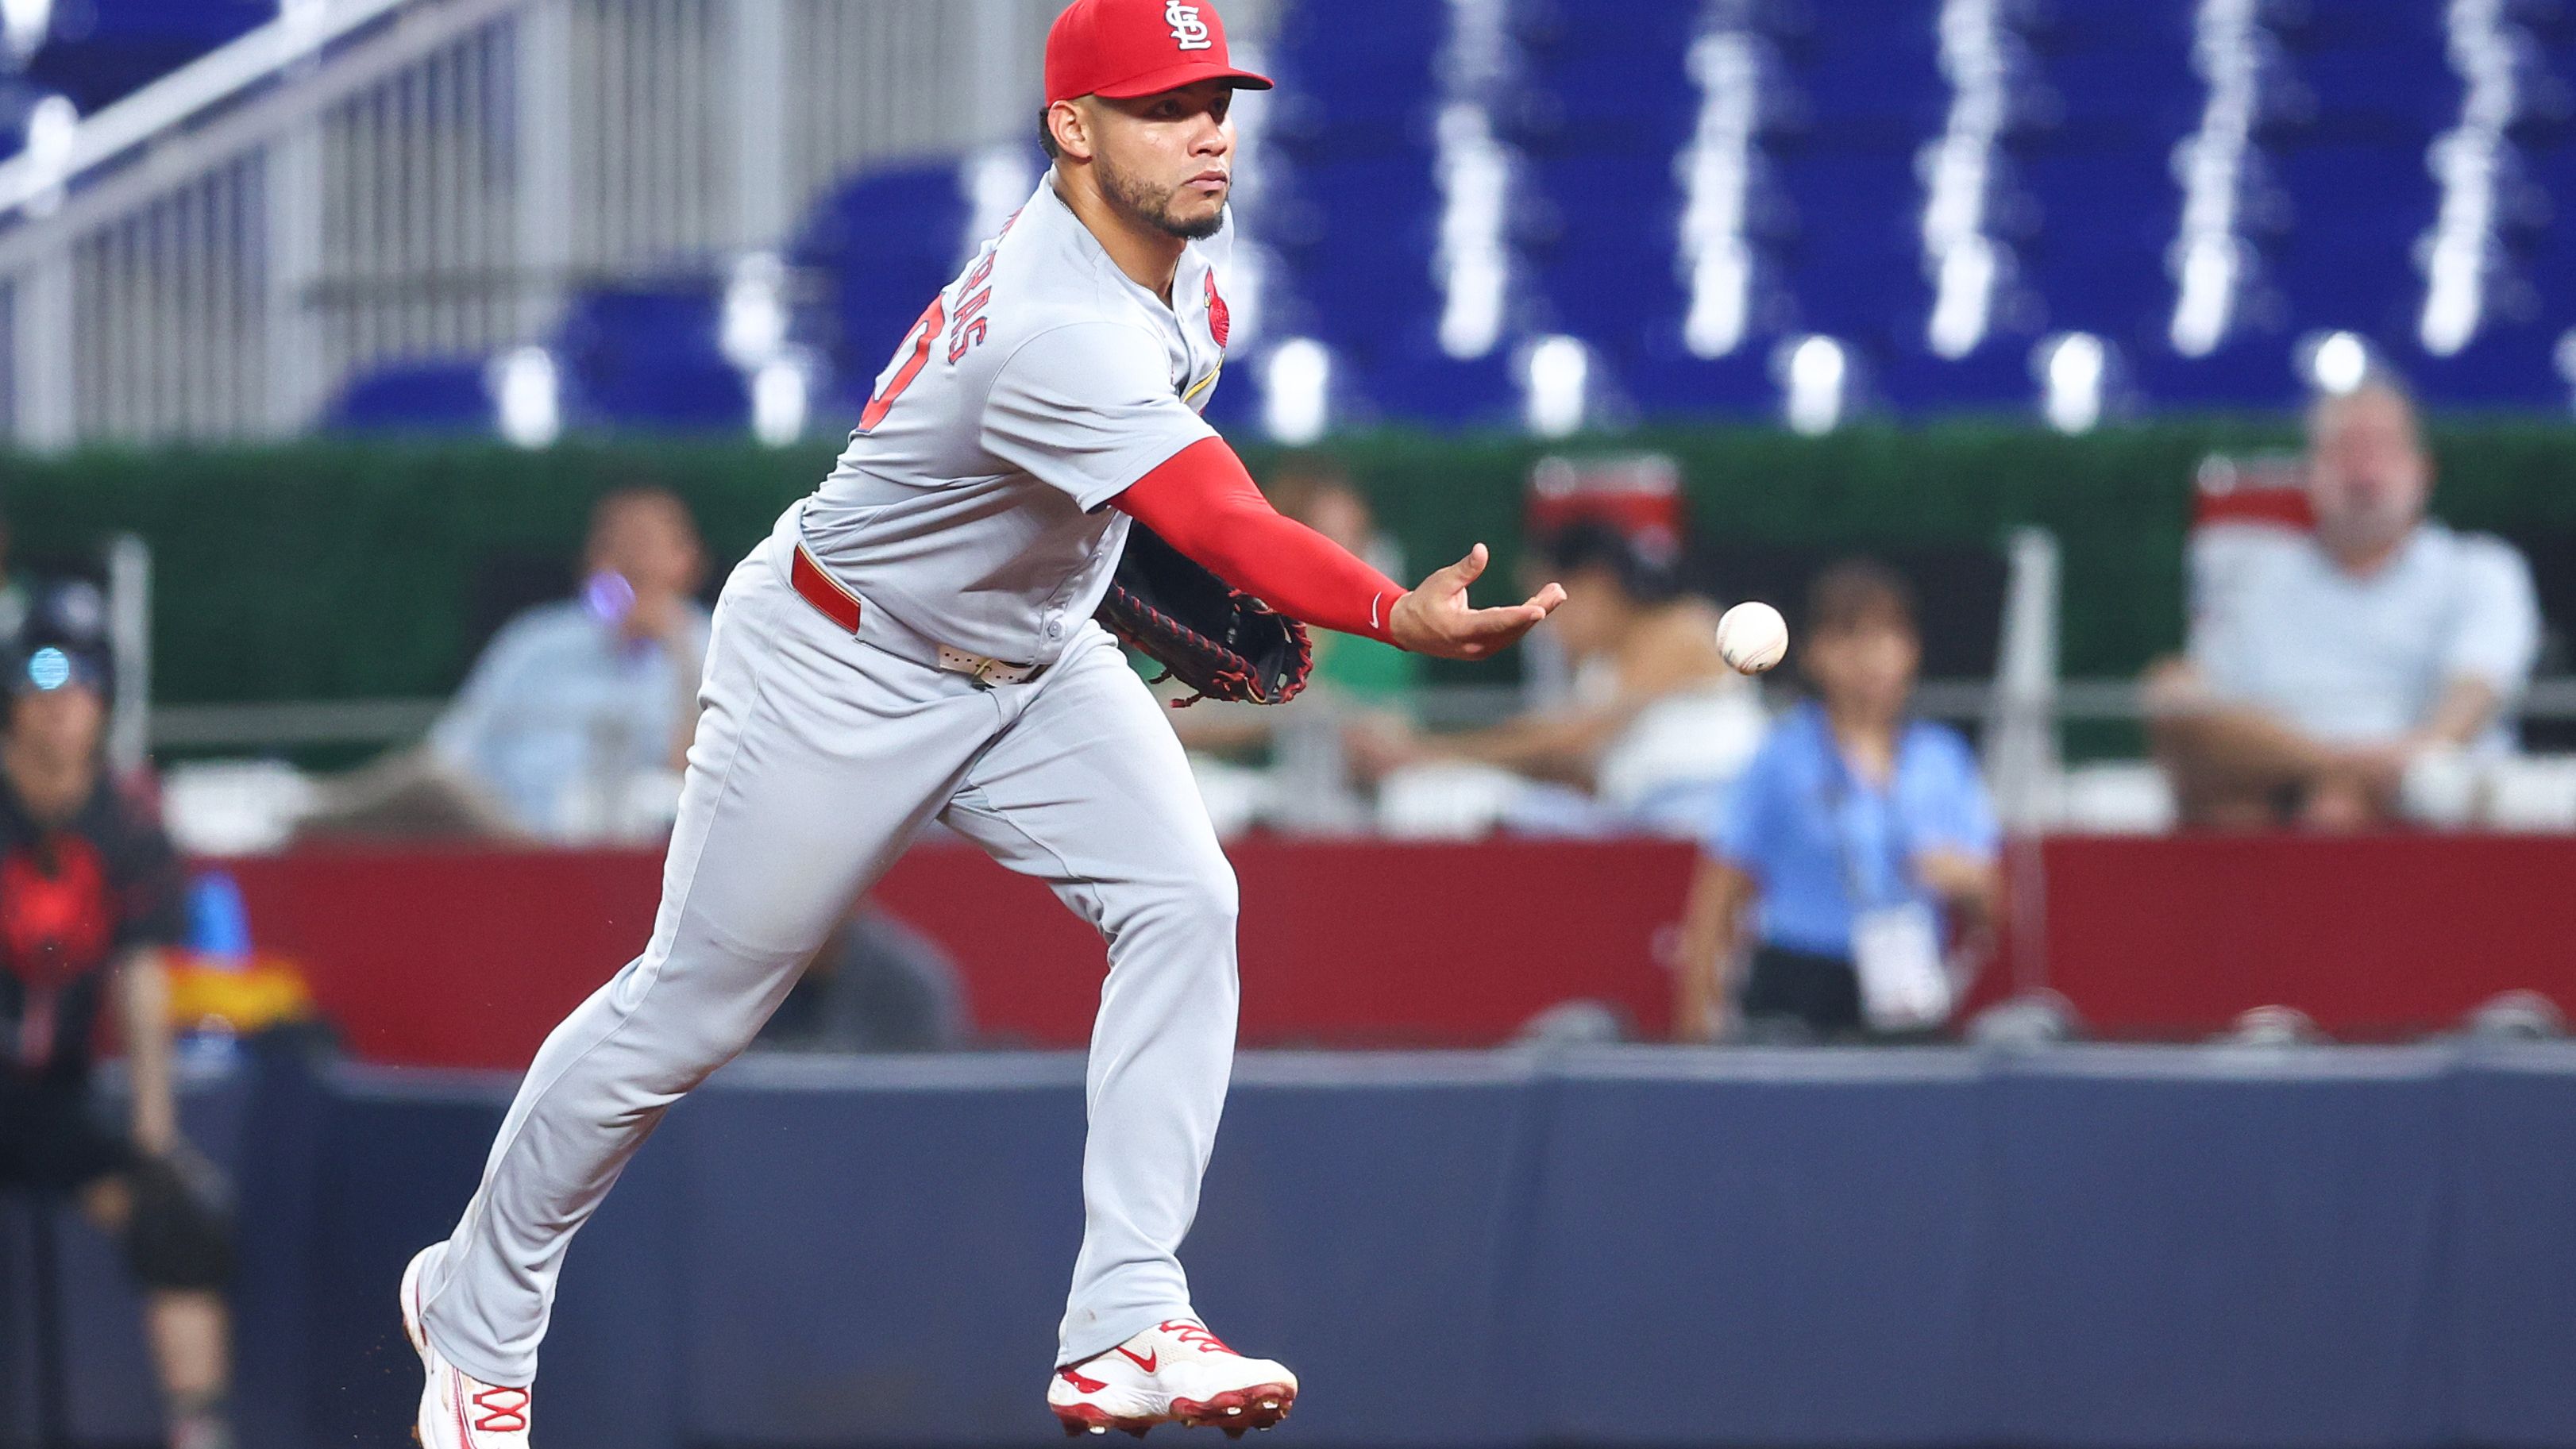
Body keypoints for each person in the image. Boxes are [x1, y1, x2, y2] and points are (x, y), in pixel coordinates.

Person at [397, 2, 1564, 1442]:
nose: (1207, 130)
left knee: (1185, 901)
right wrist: (1396, 614)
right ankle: (475, 1310)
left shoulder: (1181, 278)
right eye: (1159, 104)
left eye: (1217, 96)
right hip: (840, 666)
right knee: (683, 1016)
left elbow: (1144, 489)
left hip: (1025, 658)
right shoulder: (1052, 321)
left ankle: (1126, 1317)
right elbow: (1218, 517)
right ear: (1072, 129)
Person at [0, 642, 236, 1449]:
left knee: (180, 1220)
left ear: (102, 708)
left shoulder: (126, 821)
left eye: (79, 690)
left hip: (55, 1092)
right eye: (39, 690)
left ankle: (195, 1430)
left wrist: (153, 1130)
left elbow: (142, 975)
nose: (59, 707)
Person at [2146, 379, 2543, 830]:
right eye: (2343, 449)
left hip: (2433, 802)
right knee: (2170, 690)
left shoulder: (2481, 569)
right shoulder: (2257, 578)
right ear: (2310, 472)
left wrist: (2406, 768)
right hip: (2285, 799)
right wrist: (2337, 774)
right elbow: (2202, 700)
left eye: (2379, 448)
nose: (2362, 469)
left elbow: (2478, 689)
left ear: (2423, 472)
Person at [1672, 561, 1999, 1042]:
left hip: (1906, 985)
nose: (1873, 657)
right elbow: (1717, 898)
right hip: (1798, 984)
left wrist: (1963, 878)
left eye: (1889, 635)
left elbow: (1991, 901)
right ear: (1815, 652)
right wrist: (1696, 1026)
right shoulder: (1780, 756)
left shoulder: (1942, 757)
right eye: (1851, 637)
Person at [1351, 521, 1767, 835]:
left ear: (1596, 585)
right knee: (1432, 799)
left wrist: (1428, 753)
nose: (1549, 630)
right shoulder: (1599, 671)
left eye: (1552, 607)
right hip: (1640, 824)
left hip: (1710, 816)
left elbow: (1566, 736)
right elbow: (1564, 756)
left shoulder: (1681, 628)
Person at [423, 486, 711, 842]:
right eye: (612, 544)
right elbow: (450, 755)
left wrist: (677, 649)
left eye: (645, 544)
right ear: (591, 561)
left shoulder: (719, 648)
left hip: (640, 853)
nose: (628, 560)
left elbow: (702, 787)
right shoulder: (534, 642)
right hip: (506, 844)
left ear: (688, 560)